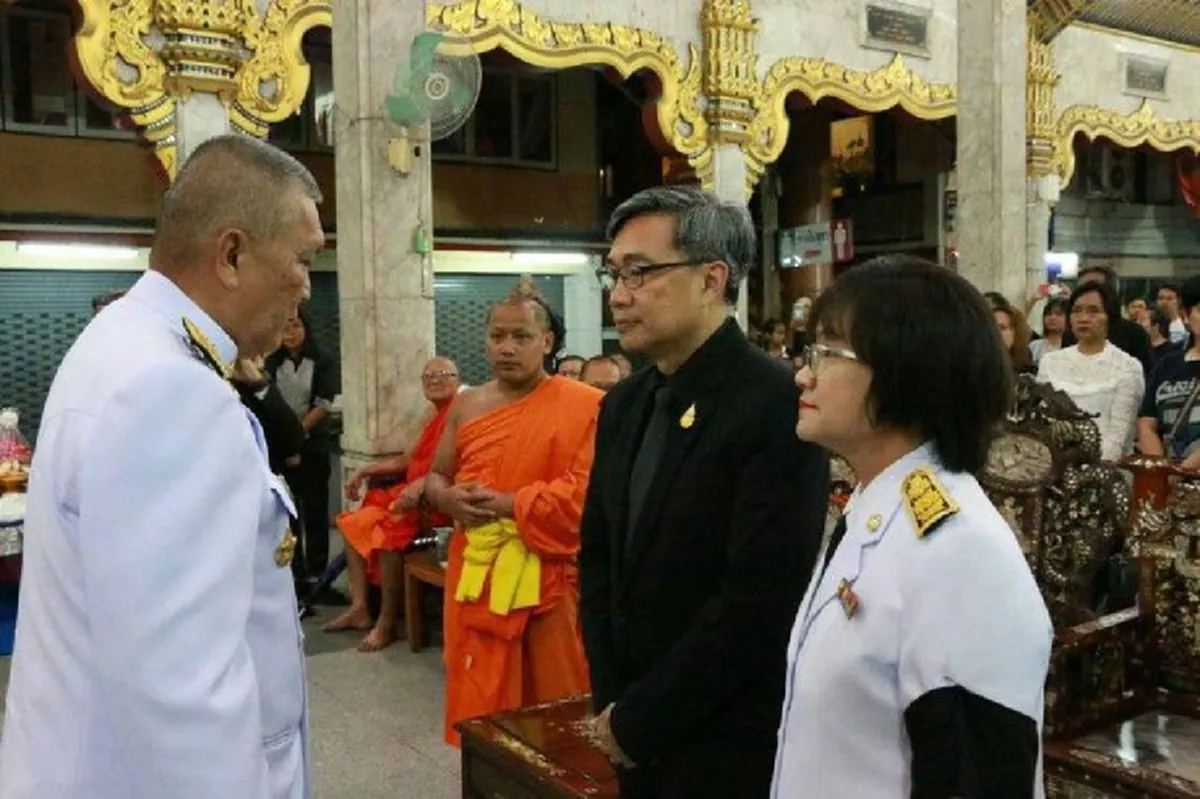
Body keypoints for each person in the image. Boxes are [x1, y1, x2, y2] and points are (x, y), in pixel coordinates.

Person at [0, 135, 325, 799]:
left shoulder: (128, 341)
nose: (306, 288)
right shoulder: (169, 388)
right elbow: (184, 696)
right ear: (231, 255)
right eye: (301, 260)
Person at [580, 186, 830, 797]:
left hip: (725, 734)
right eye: (613, 273)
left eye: (640, 272)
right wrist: (613, 703)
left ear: (712, 279)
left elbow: (760, 598)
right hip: (626, 723)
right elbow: (599, 557)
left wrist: (644, 720)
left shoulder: (775, 404)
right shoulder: (624, 403)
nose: (619, 294)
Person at [772, 255, 1053, 797]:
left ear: (908, 370)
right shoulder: (876, 507)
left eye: (827, 353)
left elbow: (978, 777)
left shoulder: (958, 552)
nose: (803, 374)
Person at [425, 278, 603, 746]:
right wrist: (447, 499)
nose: (506, 347)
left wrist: (504, 504)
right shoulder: (466, 403)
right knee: (483, 700)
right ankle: (489, 770)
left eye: (521, 336)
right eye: (497, 336)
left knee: (554, 703)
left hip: (547, 574)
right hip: (477, 573)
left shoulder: (584, 404)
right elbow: (436, 476)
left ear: (547, 341)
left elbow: (585, 497)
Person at [328, 356, 459, 651]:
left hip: (436, 503)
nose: (435, 380)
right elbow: (406, 460)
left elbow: (458, 465)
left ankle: (386, 621)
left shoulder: (463, 414)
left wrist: (422, 485)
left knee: (388, 531)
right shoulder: (430, 416)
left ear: (457, 380)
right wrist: (365, 470)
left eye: (443, 374)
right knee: (351, 523)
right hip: (407, 494)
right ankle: (360, 607)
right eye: (428, 376)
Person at [267, 310, 339, 587]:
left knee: (316, 508)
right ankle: (294, 573)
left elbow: (324, 402)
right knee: (289, 510)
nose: (291, 333)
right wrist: (288, 439)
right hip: (281, 445)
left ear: (306, 328)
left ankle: (319, 574)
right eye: (285, 327)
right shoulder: (271, 360)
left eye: (296, 326)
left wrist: (297, 433)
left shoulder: (323, 359)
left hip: (313, 443)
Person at [1039, 281, 1145, 462]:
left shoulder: (1127, 366)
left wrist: (1091, 470)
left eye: (1093, 311)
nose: (1083, 318)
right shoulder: (1050, 362)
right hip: (1054, 465)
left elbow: (1119, 436)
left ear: (1109, 317)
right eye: (1077, 311)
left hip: (1109, 467)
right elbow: (1043, 423)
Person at [1139, 277, 1200, 466]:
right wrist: (1161, 470)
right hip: (1168, 473)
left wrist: (1185, 469)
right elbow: (1146, 423)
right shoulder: (1168, 363)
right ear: (1186, 315)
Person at [1061, 265, 1152, 374]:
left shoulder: (1134, 333)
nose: (1086, 292)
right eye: (1082, 287)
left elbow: (1146, 374)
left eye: (1093, 286)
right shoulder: (1070, 334)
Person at [1029, 297, 1066, 365]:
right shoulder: (1034, 346)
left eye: (1058, 314)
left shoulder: (1073, 347)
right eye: (1049, 314)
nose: (1052, 317)